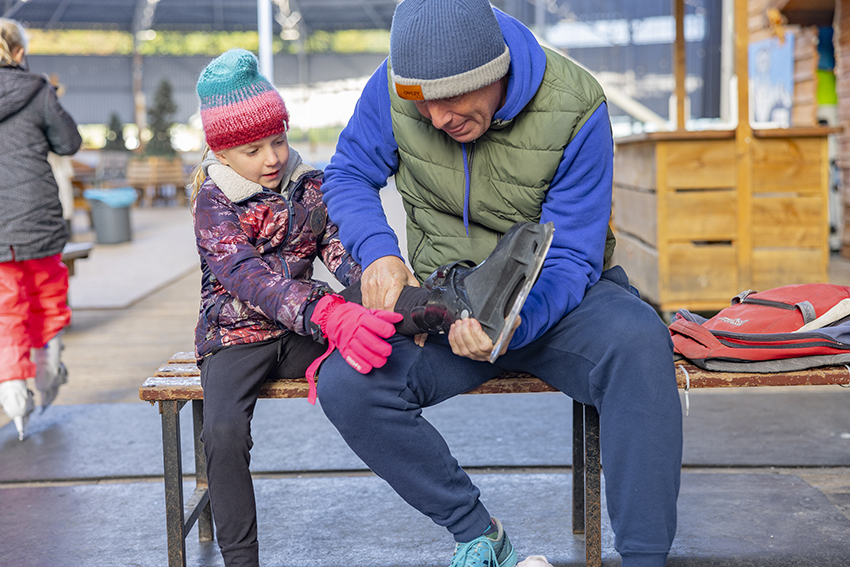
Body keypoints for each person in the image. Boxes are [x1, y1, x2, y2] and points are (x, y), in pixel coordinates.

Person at [317, 2, 684, 567]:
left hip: (557, 302)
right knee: (349, 383)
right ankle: (478, 534)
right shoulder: (395, 87)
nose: (438, 119)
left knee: (639, 342)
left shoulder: (576, 106)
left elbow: (569, 257)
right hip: (444, 301)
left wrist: (510, 325)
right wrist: (378, 254)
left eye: (453, 99)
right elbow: (347, 173)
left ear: (496, 70)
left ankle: (644, 558)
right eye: (424, 102)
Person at [190, 48, 548, 567]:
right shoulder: (213, 201)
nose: (271, 158)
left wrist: (377, 289)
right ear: (222, 155)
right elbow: (250, 280)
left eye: (277, 140)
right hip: (236, 337)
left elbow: (339, 251)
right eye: (252, 150)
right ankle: (241, 560)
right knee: (222, 433)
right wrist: (330, 313)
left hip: (297, 332)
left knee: (376, 301)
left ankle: (452, 305)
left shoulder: (305, 185)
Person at [0, 18, 81, 441]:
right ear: (19, 53)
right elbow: (68, 143)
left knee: (6, 310)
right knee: (47, 298)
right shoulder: (36, 89)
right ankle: (47, 375)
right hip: (38, 218)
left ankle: (12, 390)